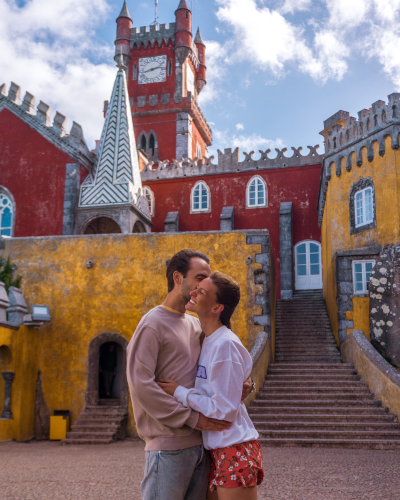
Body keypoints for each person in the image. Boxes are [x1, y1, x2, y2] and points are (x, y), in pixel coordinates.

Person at [126, 249, 253, 500]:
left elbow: (218, 368)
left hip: (203, 447)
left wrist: (244, 382)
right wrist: (193, 419)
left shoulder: (196, 324)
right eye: (199, 277)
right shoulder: (152, 324)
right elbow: (141, 385)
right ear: (177, 277)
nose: (203, 284)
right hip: (168, 447)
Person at [158, 271, 263, 500]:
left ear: (217, 308)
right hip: (217, 450)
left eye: (202, 291)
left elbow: (224, 410)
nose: (193, 291)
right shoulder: (208, 339)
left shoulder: (224, 345)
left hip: (234, 448)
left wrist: (180, 392)